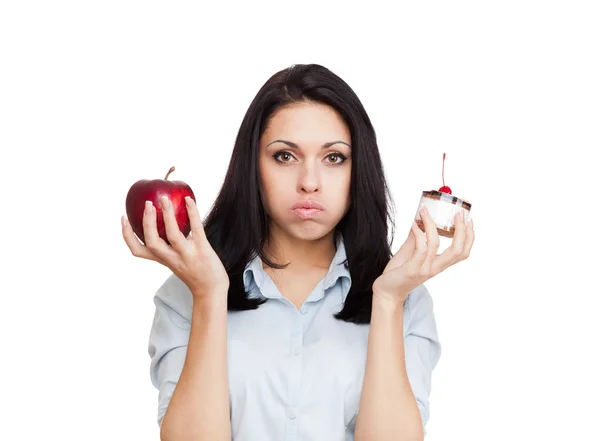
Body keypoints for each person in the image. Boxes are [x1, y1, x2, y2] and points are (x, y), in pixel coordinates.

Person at [121, 63, 475, 441]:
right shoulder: (185, 294)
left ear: (360, 169)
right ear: (252, 166)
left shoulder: (407, 300)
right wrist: (208, 295)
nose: (309, 183)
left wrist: (387, 300)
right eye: (284, 156)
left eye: (334, 158)